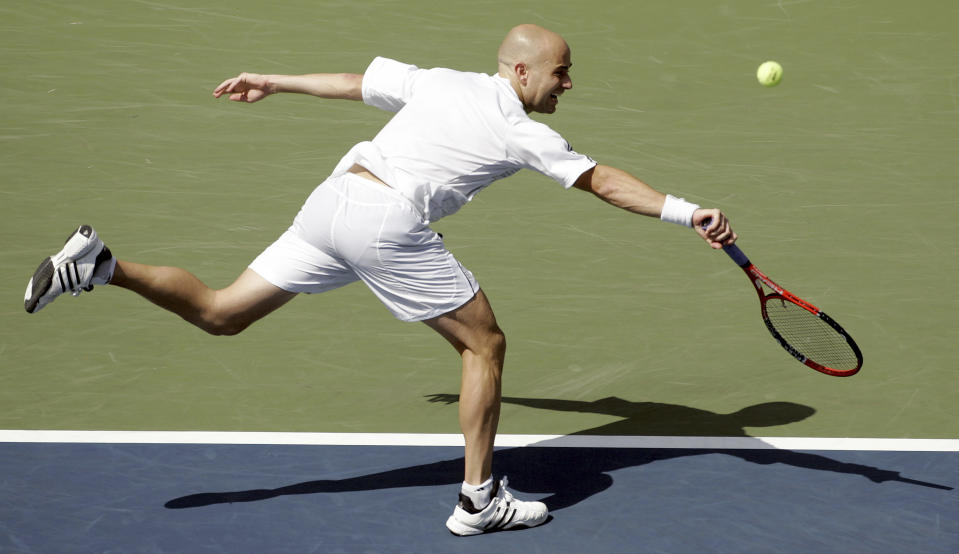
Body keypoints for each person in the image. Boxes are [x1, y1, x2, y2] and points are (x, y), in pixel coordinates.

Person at [23, 23, 736, 535]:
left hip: (332, 200)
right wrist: (685, 212)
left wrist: (274, 79)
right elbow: (601, 180)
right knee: (483, 346)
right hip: (386, 221)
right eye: (560, 72)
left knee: (221, 312)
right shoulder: (524, 130)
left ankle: (101, 265)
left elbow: (354, 83)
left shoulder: (441, 81)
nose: (568, 83)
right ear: (520, 73)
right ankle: (478, 499)